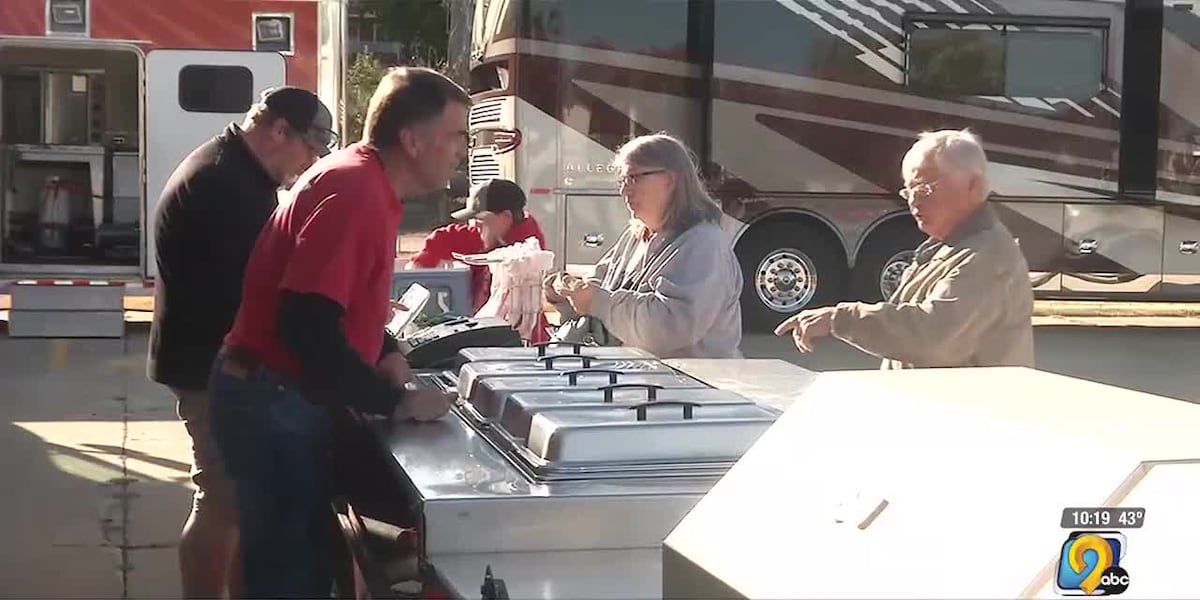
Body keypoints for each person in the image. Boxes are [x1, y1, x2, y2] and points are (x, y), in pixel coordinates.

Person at [206, 67, 465, 598]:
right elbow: (304, 323)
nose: (463, 149)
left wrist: (387, 348)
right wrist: (393, 400)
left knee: (305, 559)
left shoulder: (365, 182)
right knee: (288, 574)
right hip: (273, 400)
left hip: (280, 395)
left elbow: (338, 300)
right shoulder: (355, 191)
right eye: (456, 135)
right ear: (412, 141)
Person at [146, 86, 334, 599]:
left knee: (238, 505)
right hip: (209, 364)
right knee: (223, 500)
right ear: (279, 131)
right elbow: (251, 292)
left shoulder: (235, 169)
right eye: (313, 145)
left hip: (209, 356)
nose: (314, 159)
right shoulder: (224, 183)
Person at [774, 129, 1035, 369]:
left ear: (973, 185)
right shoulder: (949, 249)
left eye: (924, 189)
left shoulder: (987, 256)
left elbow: (931, 335)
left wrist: (839, 319)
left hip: (966, 417)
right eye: (908, 191)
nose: (913, 202)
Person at [543, 133, 743, 359]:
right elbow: (599, 292)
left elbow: (668, 326)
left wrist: (595, 301)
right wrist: (564, 294)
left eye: (634, 178)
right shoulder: (636, 235)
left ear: (670, 179)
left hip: (691, 387)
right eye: (622, 181)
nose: (624, 190)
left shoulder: (704, 244)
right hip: (640, 383)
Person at [405, 178, 551, 341]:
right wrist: (421, 264)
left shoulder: (526, 253)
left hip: (519, 337)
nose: (475, 227)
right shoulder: (490, 234)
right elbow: (446, 236)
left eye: (480, 221)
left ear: (505, 217)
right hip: (480, 330)